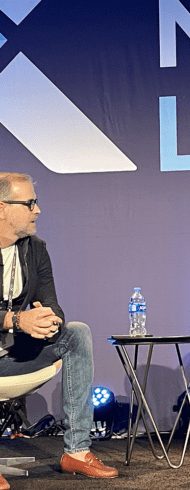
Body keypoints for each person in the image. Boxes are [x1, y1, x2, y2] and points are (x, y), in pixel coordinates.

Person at [0, 173, 118, 490]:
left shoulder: (35, 249)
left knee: (76, 333)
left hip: (12, 357)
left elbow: (53, 304)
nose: (37, 210)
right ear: (2, 208)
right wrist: (15, 320)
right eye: (29, 204)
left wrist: (49, 321)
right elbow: (14, 319)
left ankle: (77, 452)